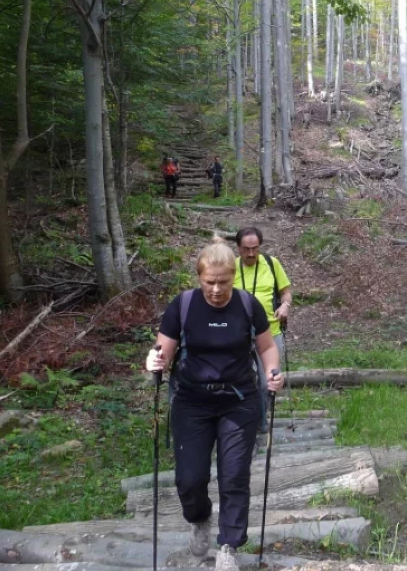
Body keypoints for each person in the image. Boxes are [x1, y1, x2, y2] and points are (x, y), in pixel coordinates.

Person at [145, 237, 285, 570]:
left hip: (238, 400)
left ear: (233, 276)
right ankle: (199, 519)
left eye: (224, 282)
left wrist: (273, 372)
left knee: (234, 476)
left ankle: (228, 547)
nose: (217, 289)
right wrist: (154, 361)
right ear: (199, 277)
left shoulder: (249, 306)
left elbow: (266, 348)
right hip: (192, 401)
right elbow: (162, 351)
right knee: (189, 479)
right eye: (210, 282)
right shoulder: (183, 305)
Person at [233, 227, 292, 361]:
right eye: (246, 249)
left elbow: (286, 292)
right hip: (240, 333)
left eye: (255, 248)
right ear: (238, 247)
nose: (251, 253)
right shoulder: (230, 267)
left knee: (271, 378)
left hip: (271, 331)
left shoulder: (272, 263)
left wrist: (285, 306)